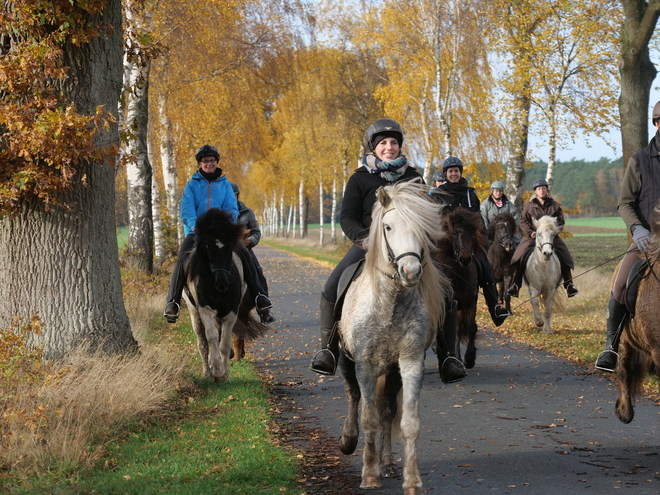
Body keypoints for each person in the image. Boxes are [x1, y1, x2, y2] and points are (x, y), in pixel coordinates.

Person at [308, 118, 467, 383]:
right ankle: (329, 349)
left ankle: (448, 356)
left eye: (394, 142)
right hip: (370, 246)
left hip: (408, 247)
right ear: (374, 148)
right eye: (383, 143)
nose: (389, 147)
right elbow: (346, 216)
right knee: (332, 286)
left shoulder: (413, 177)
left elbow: (424, 215)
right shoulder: (359, 179)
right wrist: (363, 238)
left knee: (447, 291)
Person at [163, 145, 275, 325]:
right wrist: (197, 226)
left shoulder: (225, 185)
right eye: (205, 161)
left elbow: (231, 209)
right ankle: (173, 302)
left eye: (212, 160)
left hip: (222, 233)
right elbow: (186, 212)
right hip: (197, 233)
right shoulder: (191, 185)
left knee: (245, 256)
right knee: (182, 259)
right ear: (200, 164)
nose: (209, 163)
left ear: (216, 162)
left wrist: (222, 226)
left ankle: (261, 299)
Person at [595, 101, 660, 372]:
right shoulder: (639, 160)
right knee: (621, 285)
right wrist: (638, 229)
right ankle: (611, 346)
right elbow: (624, 202)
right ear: (656, 123)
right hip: (649, 239)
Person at [432, 157, 511, 327]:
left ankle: (495, 307)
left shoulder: (470, 194)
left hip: (468, 241)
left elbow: (478, 219)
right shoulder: (439, 194)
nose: (454, 174)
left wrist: (482, 238)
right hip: (445, 242)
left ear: (460, 173)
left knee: (484, 265)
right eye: (450, 171)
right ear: (446, 174)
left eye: (456, 171)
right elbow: (434, 219)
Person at [506, 178, 579, 299]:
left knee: (565, 256)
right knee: (517, 257)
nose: (542, 191)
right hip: (533, 237)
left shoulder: (555, 206)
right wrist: (531, 232)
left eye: (544, 188)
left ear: (547, 190)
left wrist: (554, 232)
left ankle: (569, 285)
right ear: (535, 191)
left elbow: (560, 222)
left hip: (551, 237)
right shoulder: (529, 207)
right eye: (539, 189)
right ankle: (515, 285)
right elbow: (523, 221)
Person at [231, 181, 270, 305]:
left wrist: (248, 242)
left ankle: (262, 302)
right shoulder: (218, 213)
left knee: (257, 271)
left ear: (238, 196)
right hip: (224, 249)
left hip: (244, 248)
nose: (231, 199)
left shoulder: (247, 212)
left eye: (234, 196)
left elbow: (256, 232)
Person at [480, 180, 522, 246]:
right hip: (490, 235)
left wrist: (510, 231)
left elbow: (515, 218)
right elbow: (483, 220)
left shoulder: (509, 204)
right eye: (496, 191)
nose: (498, 193)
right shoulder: (485, 205)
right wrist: (488, 234)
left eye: (500, 191)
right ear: (492, 191)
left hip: (507, 234)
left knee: (519, 247)